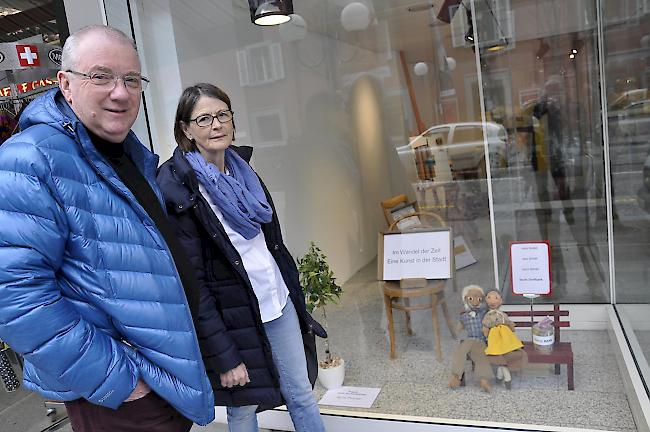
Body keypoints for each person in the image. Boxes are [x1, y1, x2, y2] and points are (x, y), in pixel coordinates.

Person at [0, 26, 214, 431]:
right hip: (119, 396)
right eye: (101, 76)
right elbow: (15, 296)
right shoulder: (29, 159)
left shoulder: (126, 153)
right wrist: (122, 381)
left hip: (163, 376)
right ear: (65, 83)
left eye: (131, 79)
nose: (120, 92)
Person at [156, 83, 327, 432]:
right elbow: (194, 284)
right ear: (186, 129)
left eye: (222, 115)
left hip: (276, 302)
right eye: (203, 118)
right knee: (244, 409)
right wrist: (223, 353)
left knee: (302, 394)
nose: (216, 125)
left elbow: (270, 246)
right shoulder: (179, 190)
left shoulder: (244, 172)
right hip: (233, 319)